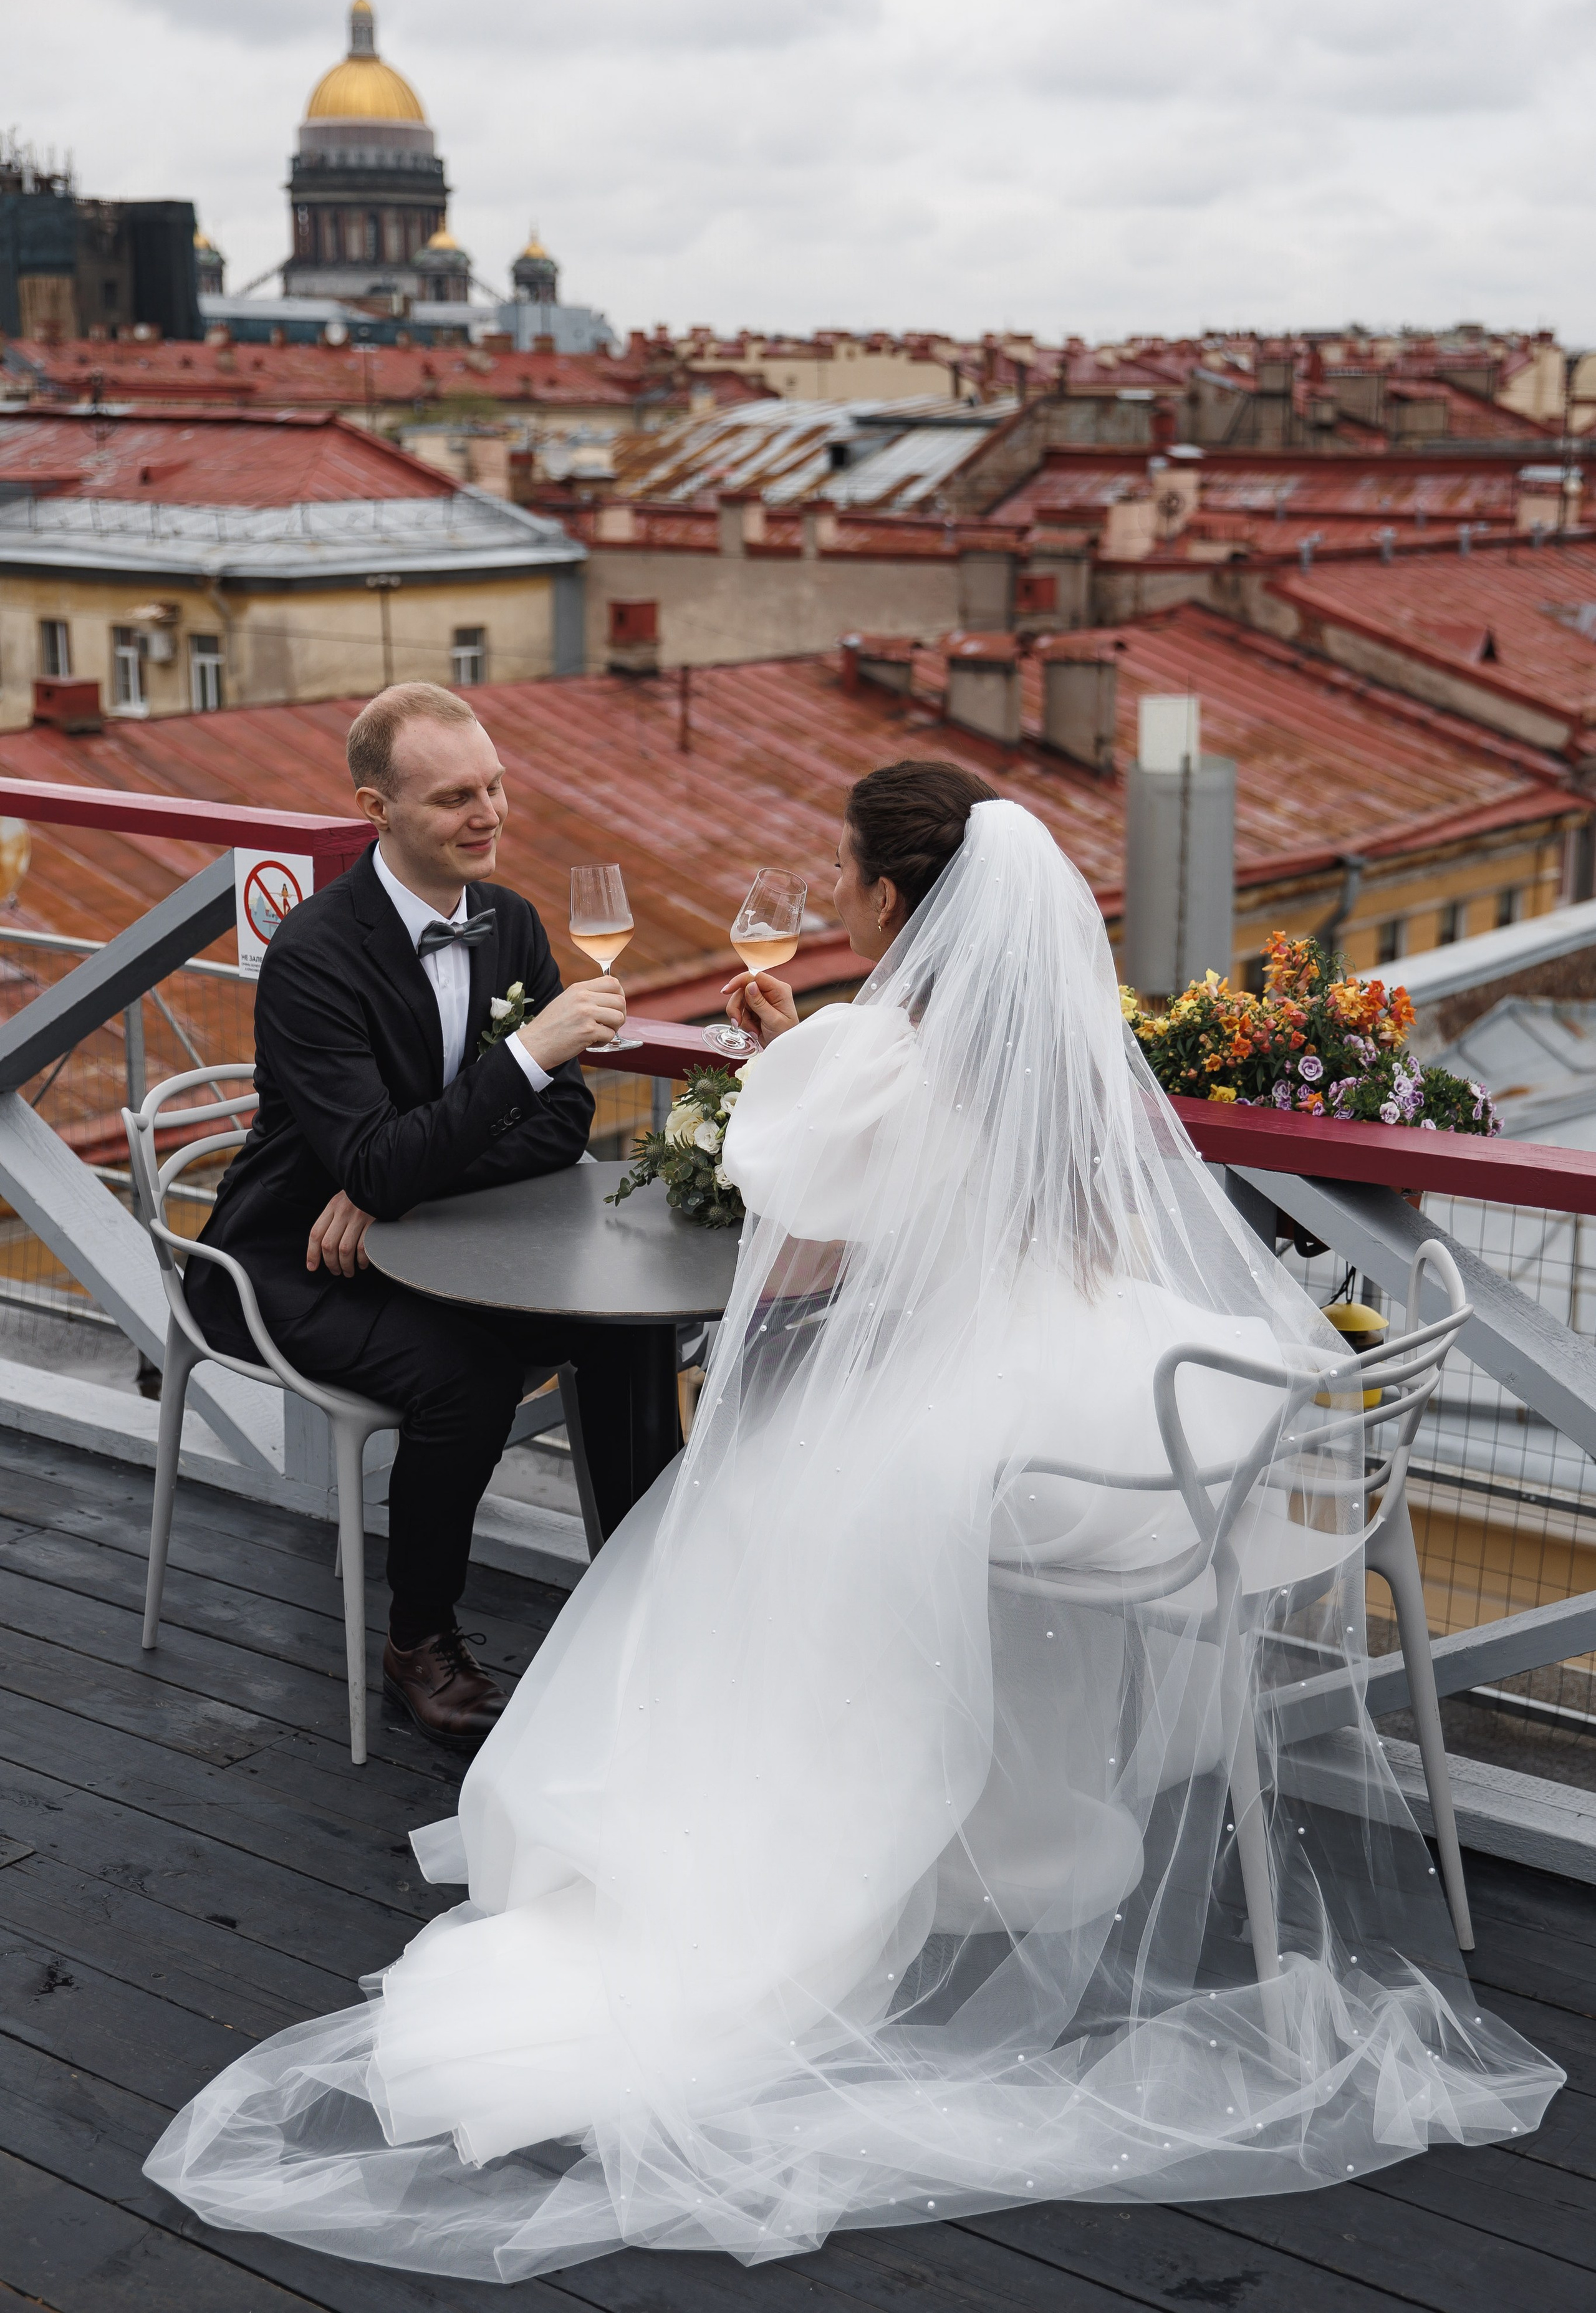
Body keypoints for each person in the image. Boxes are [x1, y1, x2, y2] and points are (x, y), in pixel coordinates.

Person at [148, 759, 1560, 2280]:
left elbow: (810, 1274)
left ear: (892, 898)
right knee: (732, 1503)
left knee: (726, 1508)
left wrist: (785, 1099)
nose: (826, 893)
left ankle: (821, 1829)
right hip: (1123, 1411)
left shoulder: (872, 1048)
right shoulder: (1031, 1043)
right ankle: (986, 1811)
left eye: (840, 872)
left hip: (969, 1422)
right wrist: (805, 1074)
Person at [183, 680, 675, 1748]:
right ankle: (419, 1634)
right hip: (285, 1257)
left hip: (404, 1230)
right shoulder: (313, 953)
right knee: (466, 1376)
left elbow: (564, 1128)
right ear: (377, 811)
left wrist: (390, 1183)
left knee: (628, 1330)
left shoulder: (514, 922)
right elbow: (506, 1103)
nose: (489, 814)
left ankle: (647, 1587)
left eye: (495, 786)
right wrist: (527, 1054)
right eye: (456, 797)